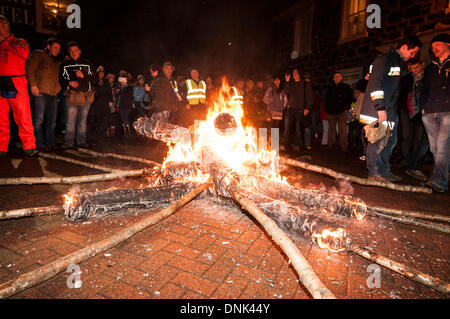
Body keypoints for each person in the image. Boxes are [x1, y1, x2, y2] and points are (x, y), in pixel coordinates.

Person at [360, 35, 422, 182]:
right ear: (405, 47)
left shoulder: (397, 62)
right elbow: (375, 84)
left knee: (390, 142)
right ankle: (374, 173)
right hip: (378, 110)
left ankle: (385, 172)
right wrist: (380, 107)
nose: (413, 56)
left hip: (389, 110)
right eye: (412, 52)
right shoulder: (385, 59)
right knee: (377, 142)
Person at [0, 15, 36, 156]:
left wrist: (5, 42)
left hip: (17, 81)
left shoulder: (19, 41)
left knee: (23, 114)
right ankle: (1, 147)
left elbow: (24, 53)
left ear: (5, 25)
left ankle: (29, 146)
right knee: (1, 117)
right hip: (0, 81)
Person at [420, 33, 450, 193]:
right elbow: (424, 89)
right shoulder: (431, 67)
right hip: (429, 113)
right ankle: (437, 177)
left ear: (447, 44)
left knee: (442, 146)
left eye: (437, 45)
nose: (434, 49)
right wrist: (423, 107)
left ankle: (440, 181)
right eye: (432, 47)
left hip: (447, 112)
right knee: (435, 149)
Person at [26, 37, 62, 152]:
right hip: (40, 92)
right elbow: (29, 68)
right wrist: (33, 84)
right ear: (48, 46)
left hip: (53, 94)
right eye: (55, 47)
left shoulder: (57, 61)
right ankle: (39, 143)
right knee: (38, 120)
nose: (57, 50)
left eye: (59, 48)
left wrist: (58, 89)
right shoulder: (39, 54)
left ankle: (50, 143)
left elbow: (60, 77)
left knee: (52, 121)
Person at [59, 41, 96, 149]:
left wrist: (83, 75)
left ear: (79, 51)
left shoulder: (87, 63)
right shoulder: (65, 65)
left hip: (85, 96)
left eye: (75, 50)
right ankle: (69, 142)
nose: (73, 53)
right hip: (72, 96)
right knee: (70, 120)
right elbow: (61, 80)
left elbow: (94, 78)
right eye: (71, 51)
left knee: (82, 120)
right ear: (69, 53)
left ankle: (81, 141)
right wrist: (68, 83)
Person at [284, 68, 313, 152]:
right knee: (287, 127)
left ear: (299, 74)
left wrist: (307, 108)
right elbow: (286, 91)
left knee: (298, 128)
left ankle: (297, 145)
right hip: (290, 108)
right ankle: (285, 144)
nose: (294, 74)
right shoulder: (291, 84)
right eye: (293, 73)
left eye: (296, 72)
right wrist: (287, 81)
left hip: (300, 109)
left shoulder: (305, 84)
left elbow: (309, 96)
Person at [324, 72, 354, 153]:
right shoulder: (330, 88)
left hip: (342, 112)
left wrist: (346, 108)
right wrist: (327, 109)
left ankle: (344, 147)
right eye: (335, 77)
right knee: (331, 130)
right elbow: (326, 99)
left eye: (338, 76)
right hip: (331, 112)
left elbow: (350, 98)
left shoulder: (346, 87)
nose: (336, 78)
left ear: (341, 78)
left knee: (343, 130)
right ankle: (330, 146)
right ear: (333, 78)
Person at [90, 67, 114, 138]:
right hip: (97, 102)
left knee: (105, 116)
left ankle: (103, 130)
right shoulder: (94, 82)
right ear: (98, 74)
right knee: (97, 116)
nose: (101, 74)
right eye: (100, 73)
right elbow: (93, 91)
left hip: (105, 102)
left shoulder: (106, 83)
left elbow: (109, 92)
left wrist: (110, 101)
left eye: (102, 73)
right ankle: (97, 131)